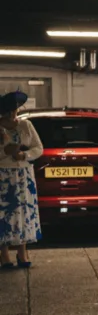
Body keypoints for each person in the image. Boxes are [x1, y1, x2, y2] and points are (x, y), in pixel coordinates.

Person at [0, 90, 43, 269]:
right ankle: (4, 255)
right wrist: (4, 152)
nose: (12, 113)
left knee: (23, 212)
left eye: (14, 109)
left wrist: (24, 155)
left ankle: (22, 253)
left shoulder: (26, 126)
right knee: (4, 213)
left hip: (23, 175)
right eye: (9, 110)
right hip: (3, 176)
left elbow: (38, 148)